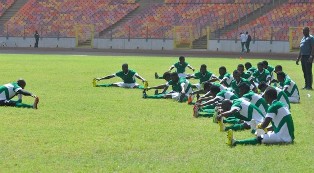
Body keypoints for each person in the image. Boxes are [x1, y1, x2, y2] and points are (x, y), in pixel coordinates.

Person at [227, 87, 294, 146]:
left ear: (268, 96)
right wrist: (265, 129)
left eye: (264, 95)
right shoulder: (280, 104)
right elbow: (276, 125)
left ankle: (235, 142)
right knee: (264, 132)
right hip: (287, 135)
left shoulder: (273, 107)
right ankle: (254, 131)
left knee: (260, 138)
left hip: (283, 137)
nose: (263, 96)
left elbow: (265, 124)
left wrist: (259, 127)